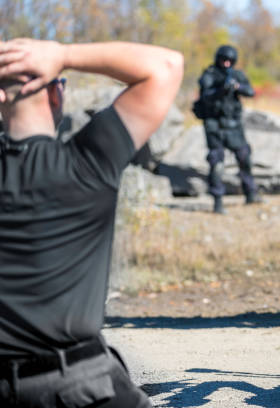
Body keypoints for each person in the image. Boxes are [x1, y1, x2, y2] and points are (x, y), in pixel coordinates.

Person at [0, 39, 183, 406]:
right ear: (56, 94)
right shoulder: (87, 164)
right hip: (82, 388)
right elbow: (165, 66)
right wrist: (64, 55)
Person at [195, 45, 258, 214]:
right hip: (214, 125)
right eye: (224, 60)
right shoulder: (209, 75)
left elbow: (251, 92)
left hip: (234, 125)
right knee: (217, 164)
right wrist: (220, 90)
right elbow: (205, 96)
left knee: (245, 158)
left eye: (230, 61)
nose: (226, 63)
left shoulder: (236, 75)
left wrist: (237, 87)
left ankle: (251, 194)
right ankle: (218, 202)